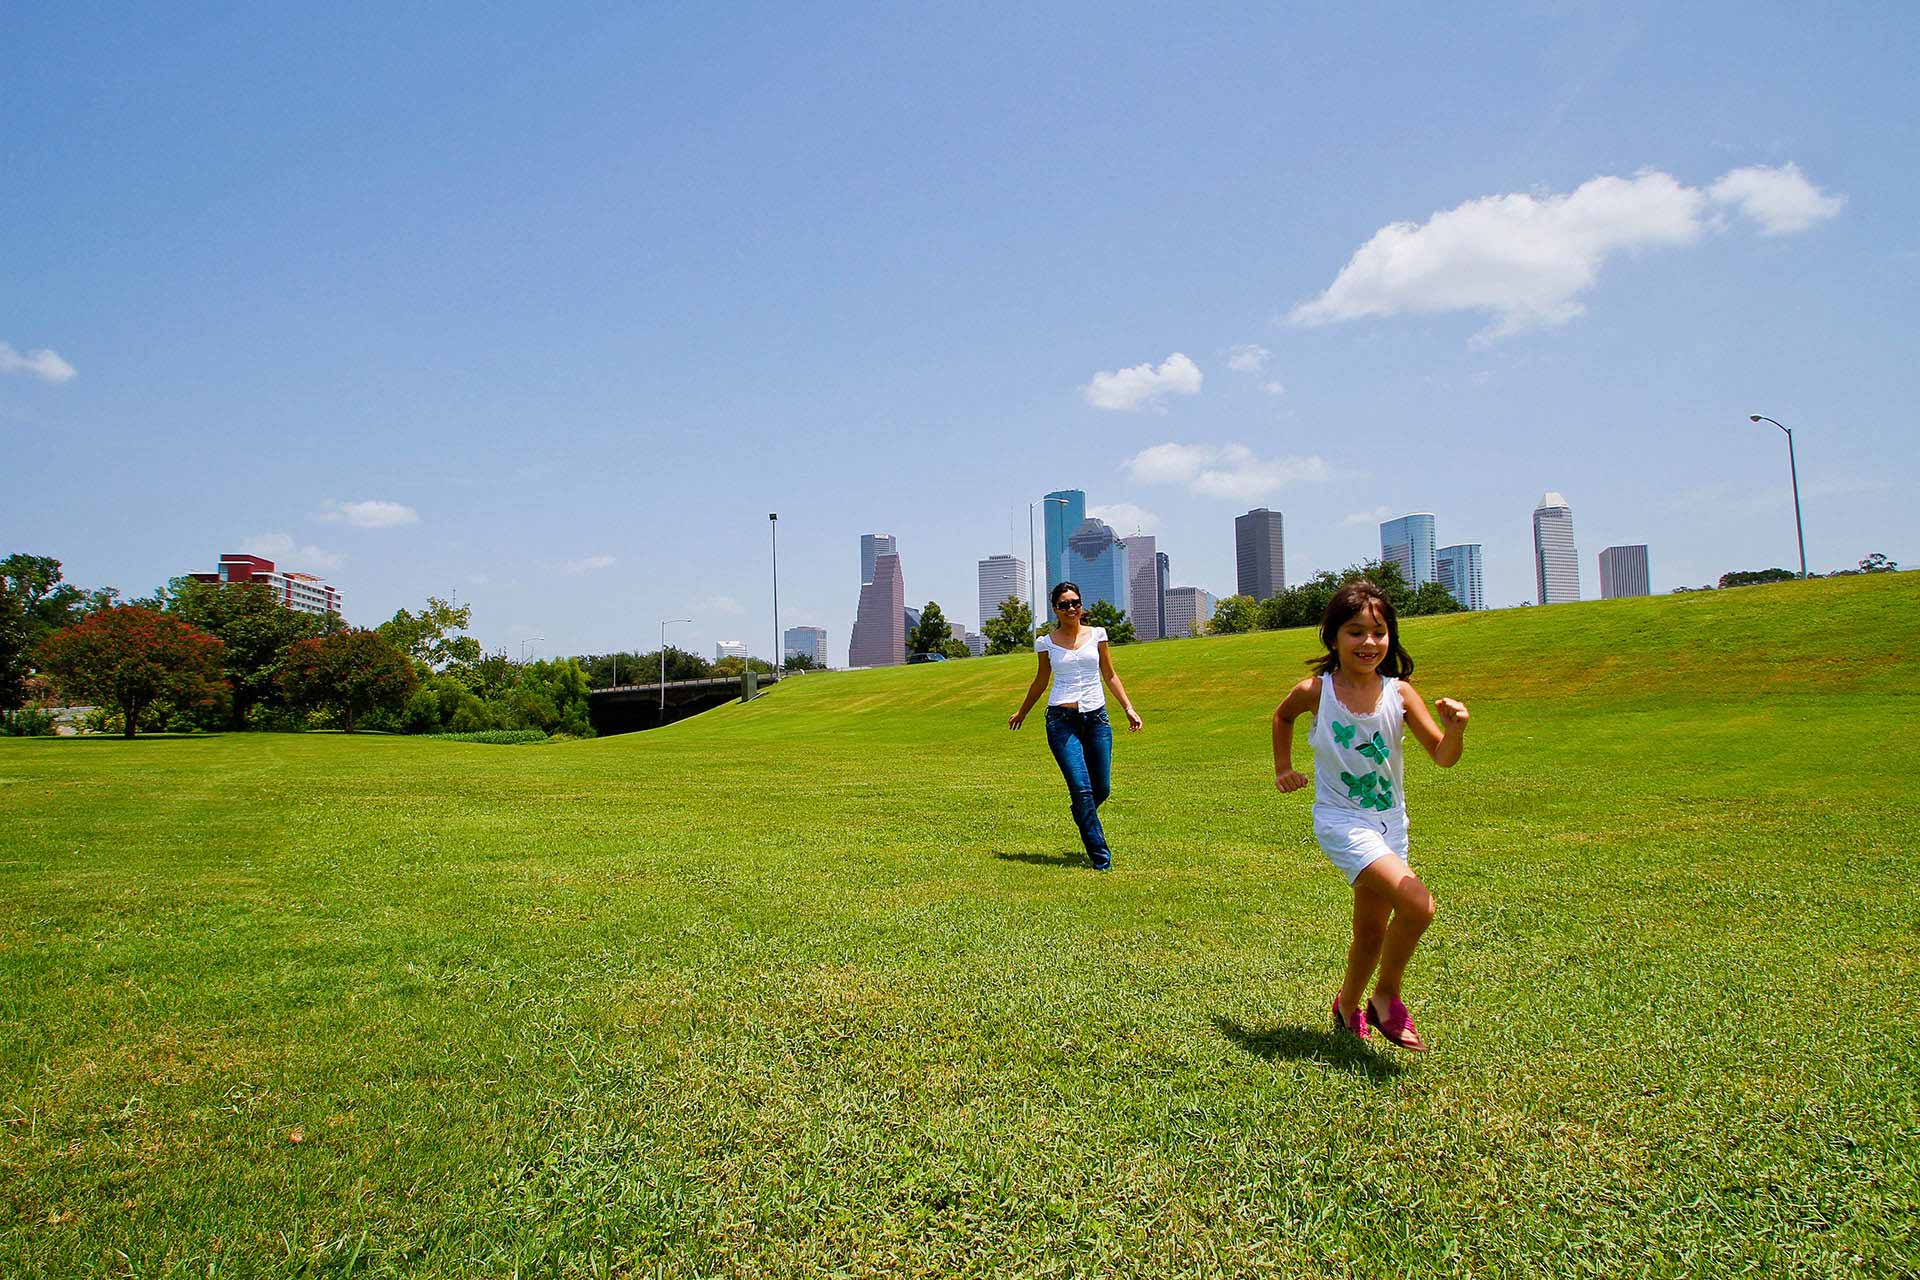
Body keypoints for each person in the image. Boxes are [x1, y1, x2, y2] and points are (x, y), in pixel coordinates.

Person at [1270, 580, 1468, 1050]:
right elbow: (1282, 717)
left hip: (1390, 822)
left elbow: (1442, 756)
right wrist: (1283, 767)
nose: (1369, 643)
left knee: (1371, 931)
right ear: (1333, 637)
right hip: (1340, 820)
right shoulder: (1316, 691)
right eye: (1356, 632)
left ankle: (1346, 1007)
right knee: (1418, 904)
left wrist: (1455, 729)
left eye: (1379, 633)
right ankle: (1386, 997)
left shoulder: (1400, 694)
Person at [1009, 581, 1144, 870]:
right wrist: (1022, 712)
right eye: (1064, 604)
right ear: (1055, 609)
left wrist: (1129, 708)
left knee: (1102, 788)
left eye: (1075, 603)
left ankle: (1081, 812)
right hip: (1061, 721)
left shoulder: (1098, 635)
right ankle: (1101, 859)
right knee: (1081, 790)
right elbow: (1041, 681)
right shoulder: (1046, 643)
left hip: (1096, 719)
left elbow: (1110, 675)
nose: (1071, 608)